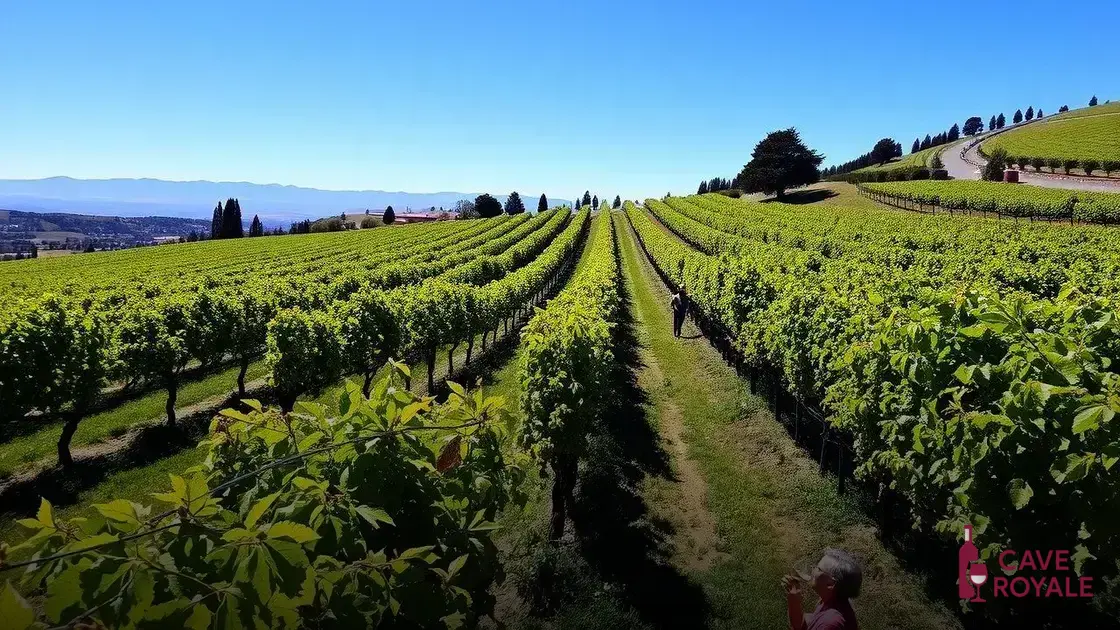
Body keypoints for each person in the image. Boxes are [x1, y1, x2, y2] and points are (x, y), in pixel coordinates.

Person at [781, 549, 862, 630]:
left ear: (830, 584)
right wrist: (794, 602)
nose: (813, 569)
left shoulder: (830, 623)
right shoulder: (831, 602)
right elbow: (803, 625)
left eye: (818, 569)